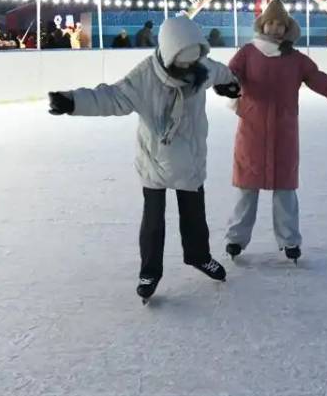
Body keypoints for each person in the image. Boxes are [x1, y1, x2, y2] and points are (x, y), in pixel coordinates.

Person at [48, 16, 242, 303]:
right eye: (183, 63)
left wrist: (229, 85)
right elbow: (111, 98)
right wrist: (73, 101)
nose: (189, 68)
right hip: (155, 158)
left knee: (194, 216)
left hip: (190, 157)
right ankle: (150, 271)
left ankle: (199, 256)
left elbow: (220, 73)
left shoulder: (202, 68)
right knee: (153, 220)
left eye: (194, 61)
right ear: (169, 55)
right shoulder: (144, 78)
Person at [223, 0, 327, 264]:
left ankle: (290, 241)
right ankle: (235, 239)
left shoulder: (296, 60)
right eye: (270, 22)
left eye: (281, 24)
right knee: (246, 189)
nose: (275, 28)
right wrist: (226, 86)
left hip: (284, 132)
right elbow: (229, 74)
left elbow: (323, 82)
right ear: (262, 24)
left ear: (287, 28)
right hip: (252, 132)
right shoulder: (247, 53)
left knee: (285, 191)